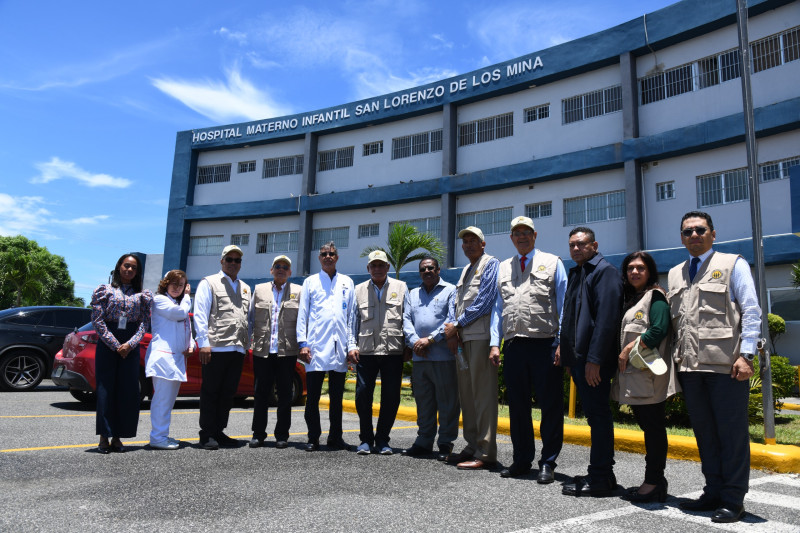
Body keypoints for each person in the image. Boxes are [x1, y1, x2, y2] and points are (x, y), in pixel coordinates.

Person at [669, 211, 761, 524]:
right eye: (687, 231)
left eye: (700, 230)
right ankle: (713, 491)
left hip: (727, 367)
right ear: (681, 237)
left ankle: (733, 500)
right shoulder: (675, 274)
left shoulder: (733, 264)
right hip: (691, 368)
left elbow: (751, 311)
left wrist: (746, 355)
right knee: (705, 435)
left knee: (731, 436)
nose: (694, 235)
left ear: (713, 234)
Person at [490, 216, 566, 481]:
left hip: (545, 343)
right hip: (514, 345)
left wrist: (562, 342)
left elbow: (564, 304)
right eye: (517, 233)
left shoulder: (553, 262)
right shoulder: (503, 267)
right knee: (517, 406)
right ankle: (521, 460)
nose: (522, 237)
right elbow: (498, 309)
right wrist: (495, 343)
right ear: (511, 238)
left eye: (526, 232)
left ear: (535, 236)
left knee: (550, 405)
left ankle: (548, 462)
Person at [560, 227, 623, 497]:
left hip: (593, 361)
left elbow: (607, 320)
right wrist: (566, 353)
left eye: (581, 244)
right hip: (579, 359)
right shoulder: (578, 272)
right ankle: (601, 473)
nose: (576, 249)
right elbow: (572, 317)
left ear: (594, 246)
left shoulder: (604, 272)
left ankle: (601, 477)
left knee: (598, 417)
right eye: (572, 245)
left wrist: (594, 360)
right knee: (594, 417)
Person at [612, 252, 677, 502]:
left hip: (649, 376)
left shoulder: (655, 297)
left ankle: (653, 482)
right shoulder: (632, 298)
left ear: (649, 271)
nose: (635, 272)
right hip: (635, 375)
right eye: (630, 268)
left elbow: (659, 329)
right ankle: (656, 482)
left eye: (640, 268)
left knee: (653, 429)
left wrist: (629, 348)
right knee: (648, 426)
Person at [443, 226, 500, 470]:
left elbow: (485, 301)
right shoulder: (466, 269)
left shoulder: (491, 264)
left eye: (473, 240)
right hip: (463, 339)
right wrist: (452, 328)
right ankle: (471, 445)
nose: (468, 245)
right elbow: (455, 303)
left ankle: (486, 452)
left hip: (479, 337)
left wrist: (456, 325)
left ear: (483, 243)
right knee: (466, 395)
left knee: (483, 396)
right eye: (465, 241)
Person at [91, 253, 152, 454]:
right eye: (126, 266)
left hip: (130, 345)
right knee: (106, 390)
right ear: (119, 267)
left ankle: (117, 437)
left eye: (134, 268)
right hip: (108, 343)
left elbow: (144, 323)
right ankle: (104, 436)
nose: (129, 270)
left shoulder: (142, 295)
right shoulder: (104, 290)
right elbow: (97, 320)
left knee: (127, 391)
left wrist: (130, 344)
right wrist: (116, 344)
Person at [297, 242, 356, 451]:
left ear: (337, 257)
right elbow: (303, 313)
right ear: (319, 258)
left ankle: (335, 437)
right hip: (315, 348)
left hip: (339, 348)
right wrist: (303, 343)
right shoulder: (310, 282)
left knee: (336, 398)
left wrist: (351, 345)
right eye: (324, 254)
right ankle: (313, 437)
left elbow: (351, 317)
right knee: (312, 397)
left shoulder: (347, 282)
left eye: (331, 254)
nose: (328, 257)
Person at [348, 250, 408, 455]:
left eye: (381, 265)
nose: (377, 269)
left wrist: (408, 345)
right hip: (366, 351)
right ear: (368, 268)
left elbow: (407, 318)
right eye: (373, 265)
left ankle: (382, 440)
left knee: (391, 396)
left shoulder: (401, 287)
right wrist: (351, 345)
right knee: (363, 394)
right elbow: (352, 321)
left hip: (393, 351)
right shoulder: (358, 290)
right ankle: (366, 439)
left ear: (387, 267)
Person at [401, 257, 460, 461]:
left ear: (438, 270)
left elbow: (451, 319)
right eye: (423, 269)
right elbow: (406, 320)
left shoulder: (450, 290)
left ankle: (445, 442)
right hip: (420, 358)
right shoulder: (412, 294)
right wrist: (415, 342)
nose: (427, 271)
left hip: (443, 356)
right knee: (424, 401)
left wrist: (431, 340)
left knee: (447, 402)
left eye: (430, 268)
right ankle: (423, 441)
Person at [193, 244, 251, 450]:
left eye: (237, 260)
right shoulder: (209, 283)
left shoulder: (245, 288)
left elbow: (247, 318)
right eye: (229, 259)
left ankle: (219, 431)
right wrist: (203, 343)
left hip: (237, 349)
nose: (233, 263)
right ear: (222, 261)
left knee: (228, 393)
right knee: (211, 392)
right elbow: (200, 314)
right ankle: (206, 433)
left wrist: (247, 344)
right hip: (216, 347)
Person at [248, 255, 302, 449]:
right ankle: (258, 434)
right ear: (271, 270)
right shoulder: (259, 290)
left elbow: (302, 321)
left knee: (285, 394)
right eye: (277, 266)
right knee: (260, 393)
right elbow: (250, 319)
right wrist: (247, 343)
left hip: (286, 351)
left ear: (290, 272)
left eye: (285, 267)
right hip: (263, 351)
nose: (281, 269)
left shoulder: (299, 291)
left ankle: (282, 435)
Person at [145, 270, 194, 450]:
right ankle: (157, 437)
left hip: (176, 359)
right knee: (162, 400)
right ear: (165, 284)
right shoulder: (160, 300)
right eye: (174, 283)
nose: (177, 288)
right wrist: (187, 297)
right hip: (164, 359)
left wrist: (191, 345)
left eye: (181, 285)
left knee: (168, 401)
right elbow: (179, 314)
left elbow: (187, 328)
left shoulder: (177, 303)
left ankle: (162, 435)